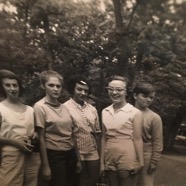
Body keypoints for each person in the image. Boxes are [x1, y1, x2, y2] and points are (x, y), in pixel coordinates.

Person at [34, 70, 78, 186]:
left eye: (58, 86)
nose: (55, 89)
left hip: (70, 153)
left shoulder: (64, 107)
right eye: (51, 85)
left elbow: (72, 134)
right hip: (54, 155)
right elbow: (41, 139)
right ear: (44, 86)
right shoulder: (40, 107)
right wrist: (45, 166)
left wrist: (77, 159)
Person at [100, 75, 144, 186]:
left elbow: (138, 139)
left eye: (119, 90)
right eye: (111, 89)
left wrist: (141, 162)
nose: (114, 93)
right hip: (109, 158)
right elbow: (104, 138)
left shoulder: (134, 112)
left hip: (128, 158)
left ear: (126, 91)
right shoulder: (105, 111)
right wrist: (101, 162)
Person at [0, 69, 40, 186]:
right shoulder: (1, 109)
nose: (12, 89)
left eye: (15, 85)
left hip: (31, 155)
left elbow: (35, 131)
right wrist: (15, 142)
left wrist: (35, 134)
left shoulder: (30, 109)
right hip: (11, 155)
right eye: (8, 85)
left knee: (31, 183)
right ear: (3, 88)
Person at [64, 76, 101, 186]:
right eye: (79, 89)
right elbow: (68, 134)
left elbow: (97, 132)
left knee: (93, 181)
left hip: (92, 151)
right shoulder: (64, 107)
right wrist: (77, 158)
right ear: (73, 89)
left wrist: (99, 151)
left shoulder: (92, 109)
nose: (83, 93)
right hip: (75, 152)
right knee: (77, 182)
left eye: (85, 90)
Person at [133, 82, 163, 186]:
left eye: (151, 97)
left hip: (146, 156)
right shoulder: (126, 112)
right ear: (135, 95)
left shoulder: (155, 118)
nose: (149, 100)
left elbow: (157, 141)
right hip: (127, 153)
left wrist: (154, 161)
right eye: (145, 96)